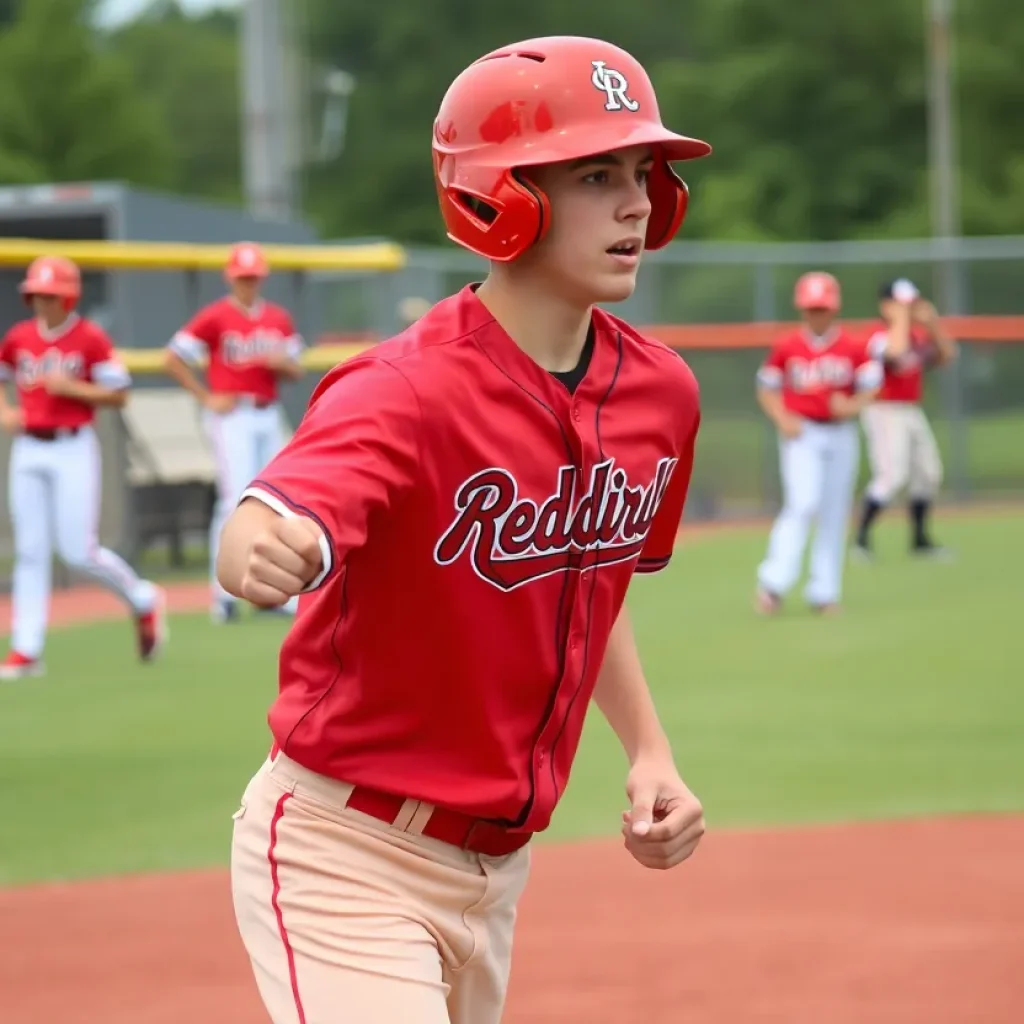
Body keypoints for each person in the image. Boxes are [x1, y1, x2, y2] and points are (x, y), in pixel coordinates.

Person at [217, 36, 709, 1024]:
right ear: (502, 198)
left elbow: (589, 579)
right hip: (343, 853)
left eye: (644, 173)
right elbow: (274, 511)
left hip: (495, 872)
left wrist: (649, 751)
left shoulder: (660, 392)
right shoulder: (405, 389)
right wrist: (258, 543)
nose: (635, 204)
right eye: (595, 175)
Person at [0, 255, 166, 680]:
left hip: (72, 444)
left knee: (79, 550)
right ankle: (27, 648)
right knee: (31, 551)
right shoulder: (19, 337)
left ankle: (141, 599)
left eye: (50, 294)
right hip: (29, 447)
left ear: (69, 296)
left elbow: (119, 394)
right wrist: (5, 410)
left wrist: (71, 387)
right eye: (36, 293)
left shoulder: (91, 338)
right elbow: (3, 375)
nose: (42, 301)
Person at [161, 241, 306, 623]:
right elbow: (173, 357)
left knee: (280, 500)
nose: (248, 283)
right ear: (230, 278)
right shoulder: (216, 316)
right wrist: (206, 397)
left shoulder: (277, 318)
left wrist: (281, 364)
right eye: (243, 277)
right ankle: (221, 596)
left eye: (253, 277)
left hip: (267, 411)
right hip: (234, 415)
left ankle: (276, 595)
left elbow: (295, 368)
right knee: (234, 499)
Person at [754, 271, 882, 615]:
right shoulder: (788, 345)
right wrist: (782, 418)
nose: (817, 314)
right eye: (811, 308)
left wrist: (852, 405)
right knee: (803, 502)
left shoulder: (853, 346)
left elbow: (871, 385)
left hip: (840, 433)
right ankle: (773, 583)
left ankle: (824, 592)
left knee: (834, 511)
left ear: (834, 308)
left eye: (822, 307)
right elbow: (766, 387)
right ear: (802, 309)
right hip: (803, 432)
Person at [853, 277, 958, 558]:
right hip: (883, 409)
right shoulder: (877, 334)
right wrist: (900, 318)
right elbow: (895, 351)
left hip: (910, 409)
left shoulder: (916, 335)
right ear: (885, 305)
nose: (908, 309)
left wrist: (933, 324)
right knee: (891, 476)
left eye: (910, 304)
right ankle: (860, 540)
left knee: (929, 473)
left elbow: (948, 355)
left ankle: (920, 541)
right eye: (901, 304)